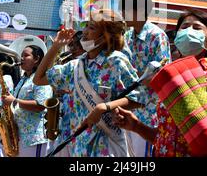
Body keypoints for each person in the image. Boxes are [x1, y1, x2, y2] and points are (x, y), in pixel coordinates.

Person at [114, 8, 207, 157]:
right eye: (184, 27)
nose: (189, 31)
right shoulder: (167, 78)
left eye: (196, 28)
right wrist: (136, 126)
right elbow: (165, 139)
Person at [34, 9, 142, 157]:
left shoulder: (116, 62)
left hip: (107, 146)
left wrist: (105, 107)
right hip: (78, 148)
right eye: (86, 26)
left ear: (105, 37)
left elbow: (138, 99)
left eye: (91, 27)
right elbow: (39, 79)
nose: (84, 32)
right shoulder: (75, 66)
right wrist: (56, 46)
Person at [119, 0, 171, 157]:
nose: (122, 13)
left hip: (148, 113)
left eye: (126, 9)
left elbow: (162, 76)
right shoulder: (126, 36)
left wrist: (140, 78)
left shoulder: (157, 36)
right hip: (127, 110)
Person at [1, 45, 53, 157]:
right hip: (20, 136)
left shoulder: (42, 79)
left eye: (26, 55)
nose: (22, 58)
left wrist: (14, 101)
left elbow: (41, 105)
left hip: (34, 138)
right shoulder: (24, 79)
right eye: (21, 56)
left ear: (37, 59)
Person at [54, 31, 85, 157]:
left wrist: (68, 90)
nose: (71, 49)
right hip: (66, 122)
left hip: (78, 124)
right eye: (70, 45)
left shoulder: (80, 64)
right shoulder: (69, 64)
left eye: (73, 45)